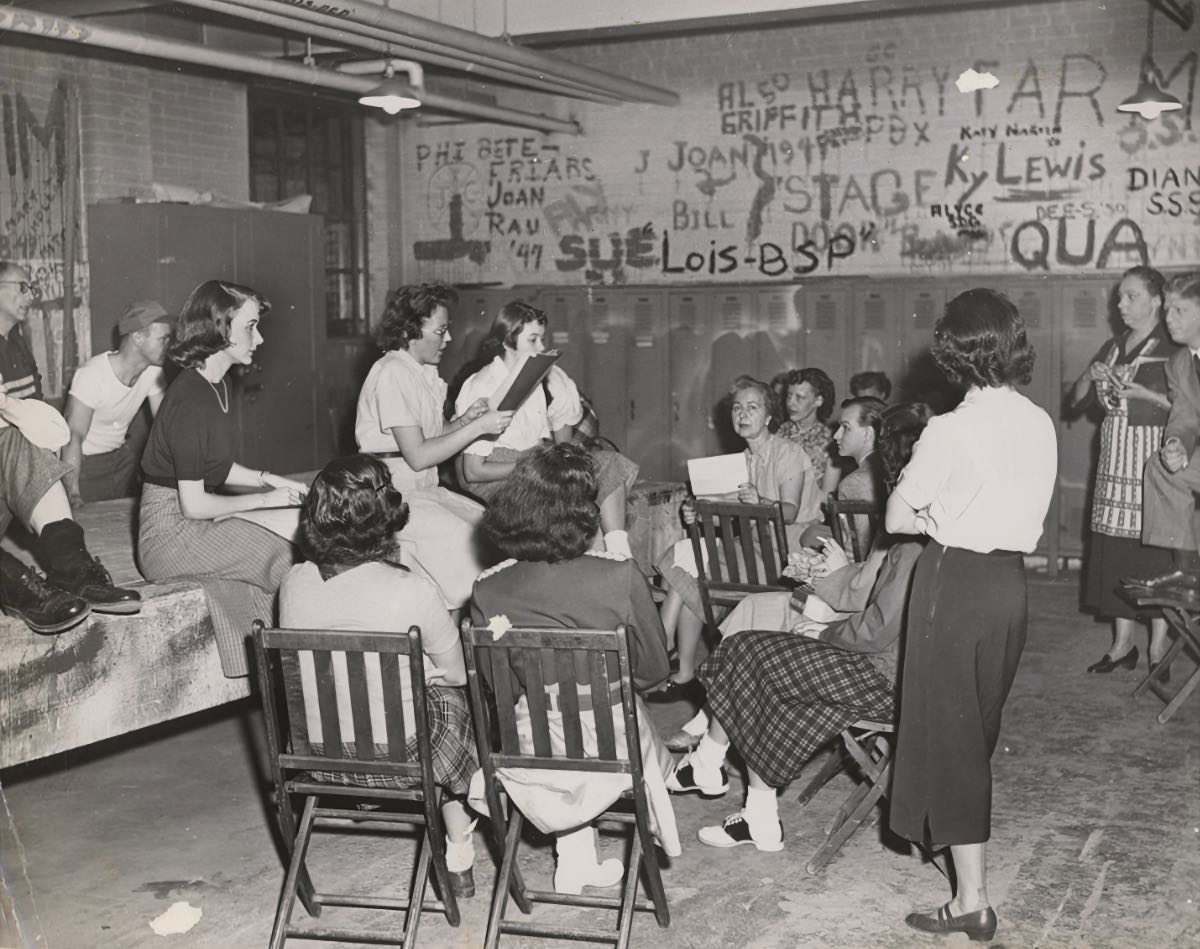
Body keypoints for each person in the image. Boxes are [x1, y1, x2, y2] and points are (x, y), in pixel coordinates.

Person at [663, 407, 928, 849]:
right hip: (885, 670)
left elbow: (876, 630)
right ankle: (747, 805)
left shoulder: (912, 543)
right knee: (759, 661)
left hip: (885, 679)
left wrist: (822, 634)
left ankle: (712, 767)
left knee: (751, 653)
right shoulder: (918, 532)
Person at [886, 289, 1056, 942]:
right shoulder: (1039, 422)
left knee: (950, 737)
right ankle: (968, 881)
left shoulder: (949, 429)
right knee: (976, 731)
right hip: (1008, 587)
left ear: (955, 353)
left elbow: (897, 519)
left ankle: (972, 900)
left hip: (953, 582)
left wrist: (935, 513)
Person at [470, 443, 680, 894]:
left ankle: (575, 860)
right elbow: (654, 668)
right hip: (613, 747)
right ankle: (577, 858)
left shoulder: (489, 587)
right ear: (584, 512)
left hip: (532, 750)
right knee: (613, 714)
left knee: (547, 719)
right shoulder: (618, 575)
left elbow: (496, 685)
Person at [280, 454, 479, 897]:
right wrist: (422, 675)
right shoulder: (410, 589)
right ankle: (459, 843)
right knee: (453, 701)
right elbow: (457, 673)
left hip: (316, 757)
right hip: (399, 761)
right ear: (387, 515)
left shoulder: (293, 581)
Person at [138, 279, 306, 678]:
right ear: (219, 327)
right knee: (284, 557)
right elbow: (194, 504)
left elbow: (218, 468)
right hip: (167, 535)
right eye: (250, 327)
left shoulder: (218, 384)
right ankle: (307, 665)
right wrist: (264, 501)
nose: (259, 339)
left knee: (288, 542)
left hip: (189, 521)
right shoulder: (190, 399)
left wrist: (271, 481)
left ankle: (285, 664)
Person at [652, 375, 821, 699]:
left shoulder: (788, 452)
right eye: (737, 408)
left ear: (769, 416)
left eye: (752, 408)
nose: (742, 414)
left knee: (693, 567)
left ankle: (665, 649)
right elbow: (728, 512)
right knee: (686, 557)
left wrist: (760, 501)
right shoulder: (740, 460)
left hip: (788, 555)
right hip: (753, 550)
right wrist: (699, 513)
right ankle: (675, 659)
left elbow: (789, 511)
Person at [0, 261, 140, 634]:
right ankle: (21, 589)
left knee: (16, 437)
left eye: (32, 288)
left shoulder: (16, 343)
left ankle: (73, 570)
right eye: (22, 287)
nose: (31, 296)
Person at [354, 283, 512, 609]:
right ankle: (462, 627)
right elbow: (418, 455)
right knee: (468, 547)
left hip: (424, 490)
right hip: (394, 498)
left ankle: (463, 625)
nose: (448, 338)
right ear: (409, 331)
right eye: (440, 331)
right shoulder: (392, 372)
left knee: (491, 529)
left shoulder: (422, 372)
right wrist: (478, 428)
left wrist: (466, 420)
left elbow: (435, 435)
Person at [454, 300, 638, 557]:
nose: (541, 347)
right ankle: (599, 560)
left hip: (532, 464)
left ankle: (619, 554)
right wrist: (534, 465)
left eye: (542, 338)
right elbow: (473, 472)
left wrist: (555, 461)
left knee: (610, 465)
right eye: (533, 340)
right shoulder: (484, 385)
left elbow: (550, 441)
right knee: (569, 502)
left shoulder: (535, 376)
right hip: (498, 475)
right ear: (507, 342)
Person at [1066, 267, 1173, 673]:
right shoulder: (1112, 347)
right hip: (1115, 465)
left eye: (1131, 296)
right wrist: (1089, 373)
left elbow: (1190, 409)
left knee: (1155, 555)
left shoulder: (1174, 347)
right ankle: (1122, 643)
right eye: (1119, 297)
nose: (1120, 304)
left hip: (1154, 466)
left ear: (1157, 300)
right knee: (1116, 553)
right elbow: (1075, 401)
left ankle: (1158, 646)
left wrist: (1148, 395)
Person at [1123, 272, 1200, 606]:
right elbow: (1184, 416)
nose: (1169, 318)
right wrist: (1176, 444)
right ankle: (1187, 569)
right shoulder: (1179, 363)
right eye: (1167, 309)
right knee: (1162, 466)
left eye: (1180, 310)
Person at [63, 300, 171, 505]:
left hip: (120, 461)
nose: (169, 345)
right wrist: (72, 491)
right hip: (83, 466)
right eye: (163, 339)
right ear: (137, 337)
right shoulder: (92, 375)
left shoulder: (154, 371)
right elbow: (73, 437)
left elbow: (166, 425)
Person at [774, 367, 840, 495]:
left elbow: (827, 495)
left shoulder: (831, 442)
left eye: (799, 397)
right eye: (789, 396)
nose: (790, 403)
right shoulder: (778, 433)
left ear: (818, 401)